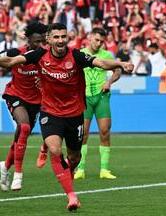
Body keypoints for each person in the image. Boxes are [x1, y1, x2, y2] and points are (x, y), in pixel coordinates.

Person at [0, 23, 133, 211]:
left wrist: (120, 64)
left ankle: (67, 177)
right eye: (56, 37)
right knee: (55, 149)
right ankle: (71, 195)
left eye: (63, 36)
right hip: (50, 112)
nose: (60, 40)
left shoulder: (76, 55)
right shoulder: (38, 55)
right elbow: (11, 62)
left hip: (74, 113)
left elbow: (102, 63)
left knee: (74, 156)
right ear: (49, 39)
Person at [0, 22, 47, 191]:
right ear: (28, 40)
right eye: (36, 42)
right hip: (15, 95)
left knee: (19, 139)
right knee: (25, 127)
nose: (39, 45)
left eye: (42, 41)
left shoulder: (47, 56)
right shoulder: (17, 53)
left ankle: (4, 168)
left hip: (36, 102)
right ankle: (18, 175)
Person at [74, 28, 122, 180]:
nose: (99, 43)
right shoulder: (79, 54)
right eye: (97, 40)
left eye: (102, 41)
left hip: (102, 97)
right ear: (90, 38)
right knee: (83, 134)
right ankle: (80, 169)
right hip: (84, 98)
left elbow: (118, 71)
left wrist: (109, 82)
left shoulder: (106, 55)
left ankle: (104, 170)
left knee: (104, 131)